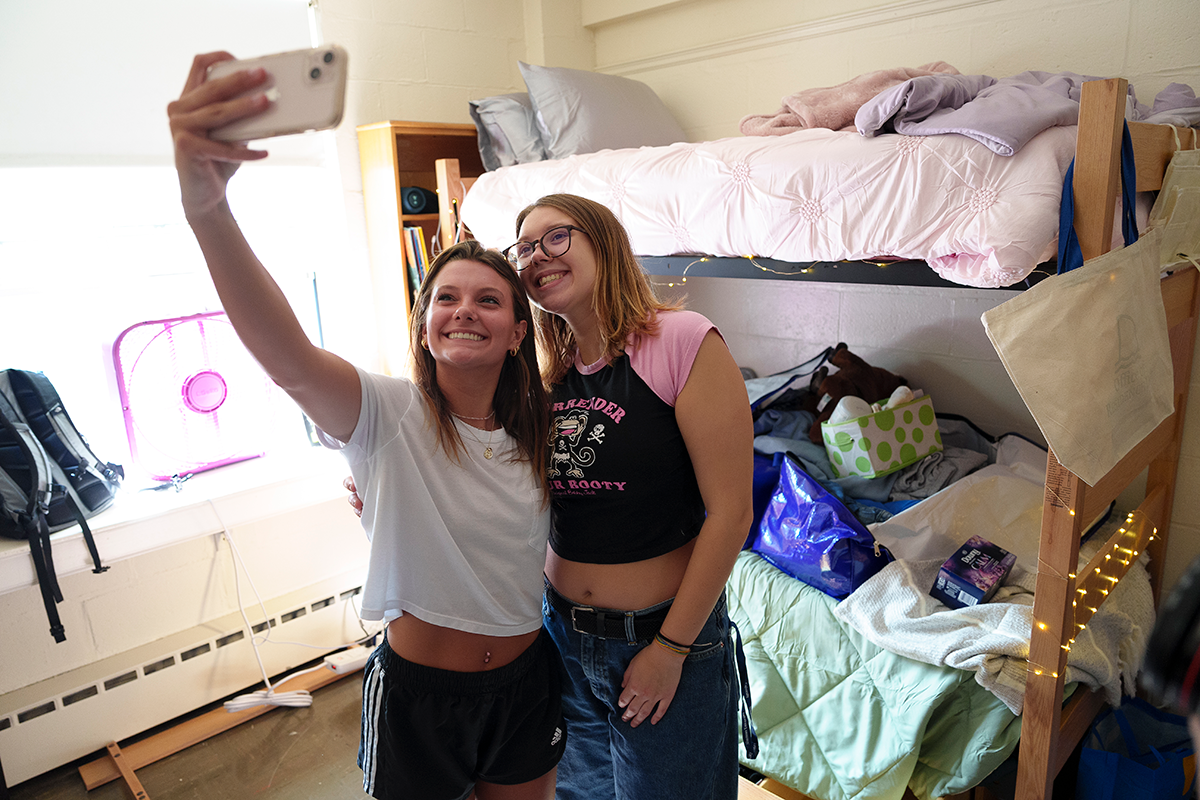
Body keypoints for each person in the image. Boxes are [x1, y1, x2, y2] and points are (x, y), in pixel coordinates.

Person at [169, 53, 564, 800]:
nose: (465, 310)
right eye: (446, 297)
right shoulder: (385, 412)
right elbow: (285, 356)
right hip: (421, 695)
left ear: (517, 332)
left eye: (488, 299)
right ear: (424, 328)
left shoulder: (541, 429)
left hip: (525, 681)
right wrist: (208, 209)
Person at [510, 194, 755, 799]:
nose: (538, 256)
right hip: (561, 639)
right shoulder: (549, 377)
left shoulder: (681, 340)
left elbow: (731, 514)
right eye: (525, 248)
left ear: (604, 242)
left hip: (659, 637)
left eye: (556, 238)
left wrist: (671, 649)